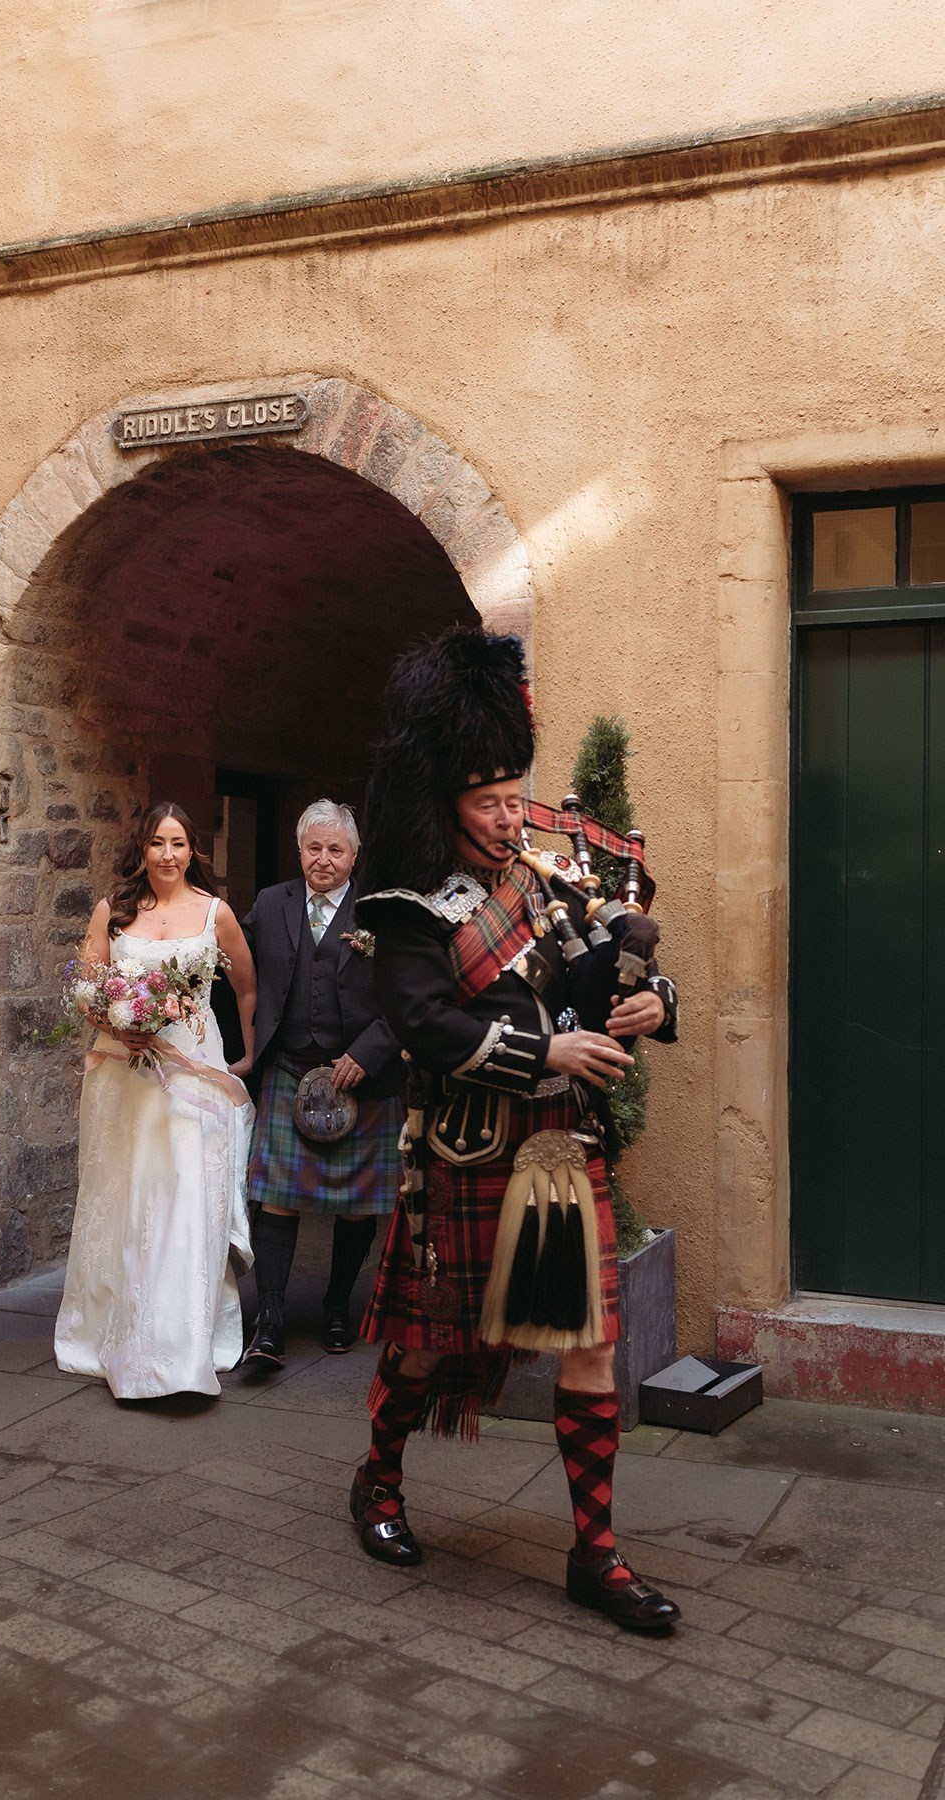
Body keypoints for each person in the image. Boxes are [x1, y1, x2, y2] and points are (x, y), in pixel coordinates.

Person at [348, 627, 682, 1636]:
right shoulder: (411, 902)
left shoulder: (548, 873)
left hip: (564, 1154)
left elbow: (597, 973)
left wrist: (651, 999)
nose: (508, 818)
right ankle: (380, 1480)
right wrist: (547, 1054)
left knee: (591, 1350)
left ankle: (598, 1556)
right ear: (445, 797)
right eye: (487, 803)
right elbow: (425, 1024)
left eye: (511, 796)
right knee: (424, 1347)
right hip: (466, 1152)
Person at [54, 801, 258, 1399]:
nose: (166, 855)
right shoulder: (112, 912)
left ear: (194, 850)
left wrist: (245, 1056)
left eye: (177, 844)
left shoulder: (216, 913)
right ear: (141, 849)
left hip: (193, 1074)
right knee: (128, 1196)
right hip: (123, 1080)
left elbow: (246, 986)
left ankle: (180, 1346)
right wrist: (117, 1024)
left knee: (187, 1196)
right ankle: (111, 1333)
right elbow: (86, 990)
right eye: (156, 843)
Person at [240, 799, 405, 1372]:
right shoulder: (269, 904)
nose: (324, 859)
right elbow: (234, 975)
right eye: (315, 847)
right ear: (300, 849)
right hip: (288, 1069)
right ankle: (271, 1321)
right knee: (276, 1199)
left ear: (354, 856)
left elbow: (411, 996)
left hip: (362, 1079)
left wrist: (369, 1050)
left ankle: (338, 1307)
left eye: (336, 850)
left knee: (357, 1208)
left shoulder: (380, 913)